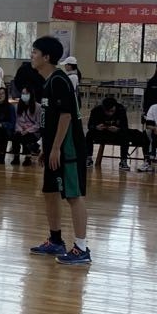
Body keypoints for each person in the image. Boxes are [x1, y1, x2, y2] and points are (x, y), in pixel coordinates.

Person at [29, 35, 91, 265]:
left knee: (73, 195)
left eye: (35, 52)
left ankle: (82, 248)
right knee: (50, 191)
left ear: (46, 57)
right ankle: (55, 240)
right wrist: (46, 148)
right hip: (53, 147)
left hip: (68, 147)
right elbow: (52, 119)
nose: (31, 56)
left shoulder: (59, 80)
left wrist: (56, 147)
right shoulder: (48, 82)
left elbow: (66, 115)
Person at [86, 94, 132, 169]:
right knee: (89, 134)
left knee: (125, 136)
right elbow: (89, 126)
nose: (110, 113)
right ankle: (88, 158)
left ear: (115, 107)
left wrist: (118, 129)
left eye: (112, 111)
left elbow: (125, 127)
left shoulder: (121, 110)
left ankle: (123, 161)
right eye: (107, 111)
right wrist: (96, 127)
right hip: (101, 133)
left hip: (116, 135)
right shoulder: (96, 110)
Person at [12, 89, 41, 164]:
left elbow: (38, 123)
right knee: (16, 137)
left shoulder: (38, 107)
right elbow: (17, 121)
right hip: (20, 129)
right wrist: (20, 129)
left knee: (27, 137)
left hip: (33, 131)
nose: (24, 95)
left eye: (26, 93)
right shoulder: (17, 106)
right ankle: (16, 157)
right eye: (23, 93)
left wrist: (28, 130)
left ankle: (28, 157)